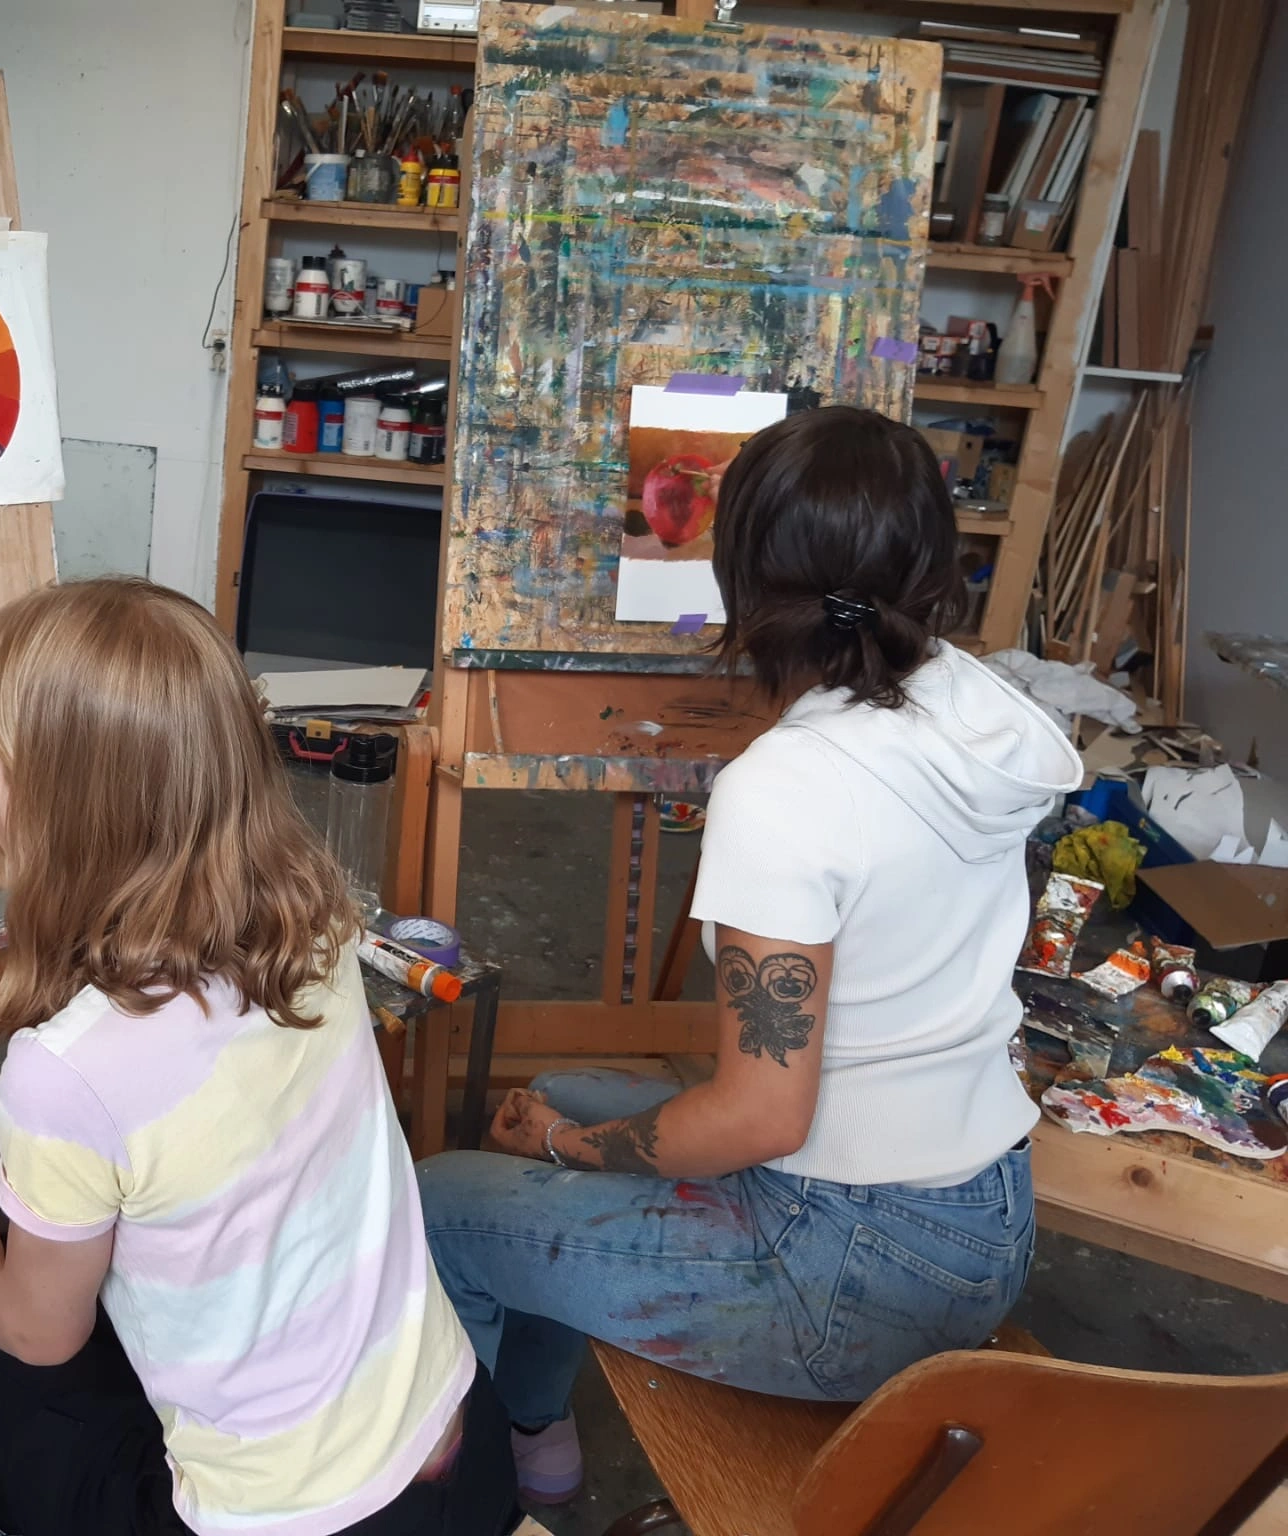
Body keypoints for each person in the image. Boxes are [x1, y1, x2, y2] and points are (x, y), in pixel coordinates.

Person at [415, 406, 1082, 1504]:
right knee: (558, 1091)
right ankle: (539, 1433)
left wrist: (572, 1146)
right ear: (929, 561)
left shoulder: (788, 788)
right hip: (983, 1219)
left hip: (845, 1271)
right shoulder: (969, 715)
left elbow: (760, 1117)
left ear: (743, 574)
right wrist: (571, 1126)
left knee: (445, 1199)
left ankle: (465, 1503)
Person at [0, 577, 517, 1536]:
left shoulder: (71, 1071)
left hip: (293, 1525)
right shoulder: (316, 916)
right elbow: (126, 777)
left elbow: (41, 1333)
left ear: (30, 799)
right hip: (462, 1457)